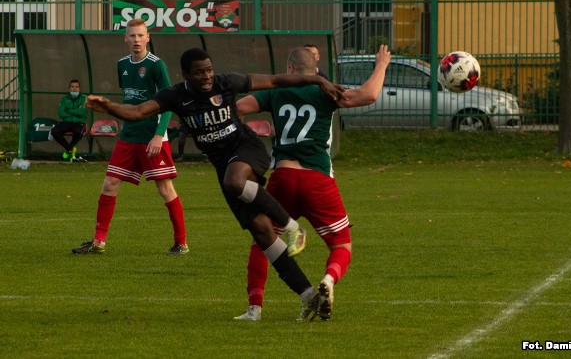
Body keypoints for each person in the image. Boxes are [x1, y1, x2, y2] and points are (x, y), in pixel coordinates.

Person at [84, 47, 345, 320]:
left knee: (235, 181)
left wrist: (318, 79)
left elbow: (275, 81)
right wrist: (110, 107)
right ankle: (308, 296)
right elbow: (138, 111)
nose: (207, 76)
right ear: (186, 75)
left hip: (246, 148)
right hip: (223, 164)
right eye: (200, 72)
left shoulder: (225, 82)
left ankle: (293, 228)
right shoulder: (176, 96)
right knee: (263, 235)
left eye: (209, 69)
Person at [233, 44, 391, 321]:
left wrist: (246, 141)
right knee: (341, 244)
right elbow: (369, 94)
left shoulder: (276, 90)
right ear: (315, 71)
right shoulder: (324, 90)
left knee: (263, 241)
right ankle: (329, 280)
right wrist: (381, 65)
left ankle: (254, 308)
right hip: (316, 179)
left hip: (283, 177)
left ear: (290, 70)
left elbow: (238, 110)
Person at [72, 18, 189, 256]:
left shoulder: (157, 65)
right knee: (110, 183)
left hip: (151, 136)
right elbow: (129, 100)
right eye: (132, 36)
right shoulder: (122, 64)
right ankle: (98, 241)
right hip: (129, 135)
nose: (136, 40)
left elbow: (169, 103)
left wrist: (158, 135)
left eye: (140, 35)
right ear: (125, 38)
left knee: (165, 188)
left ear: (148, 38)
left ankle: (181, 243)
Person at [49, 79, 87, 162]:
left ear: (79, 89)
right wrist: (76, 111)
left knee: (78, 132)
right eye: (72, 87)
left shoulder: (84, 98)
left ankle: (67, 151)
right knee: (54, 131)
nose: (74, 89)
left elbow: (83, 112)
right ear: (69, 88)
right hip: (66, 122)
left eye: (76, 87)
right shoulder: (64, 99)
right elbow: (61, 113)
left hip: (79, 122)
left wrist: (68, 110)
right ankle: (70, 150)